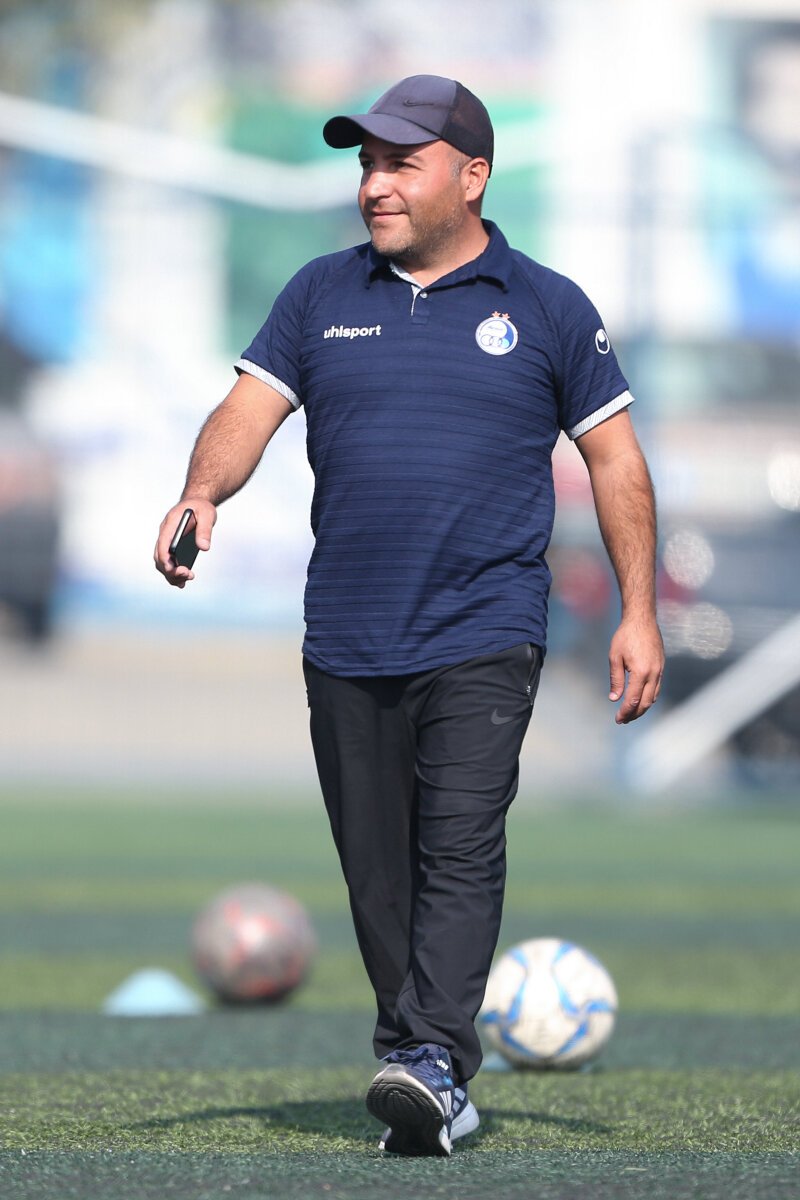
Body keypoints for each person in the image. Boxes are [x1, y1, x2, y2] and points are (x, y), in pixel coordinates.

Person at [154, 74, 664, 1157]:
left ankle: (429, 1054)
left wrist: (637, 612)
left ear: (471, 177)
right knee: (377, 871)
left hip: (486, 628)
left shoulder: (547, 307)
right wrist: (202, 492)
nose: (374, 185)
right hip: (346, 631)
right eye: (366, 164)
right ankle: (428, 1070)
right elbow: (246, 410)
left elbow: (616, 462)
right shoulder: (317, 292)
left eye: (400, 163)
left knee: (459, 846)